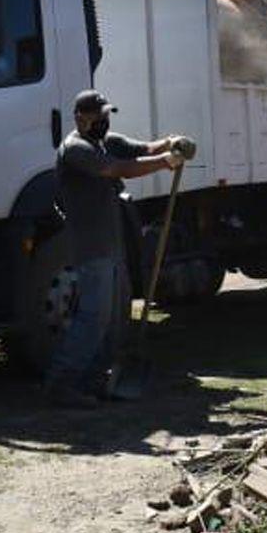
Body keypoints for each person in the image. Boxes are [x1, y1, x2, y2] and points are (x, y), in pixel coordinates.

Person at [44, 90, 188, 408]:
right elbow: (116, 169)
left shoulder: (103, 141)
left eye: (107, 115)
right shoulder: (76, 150)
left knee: (113, 320)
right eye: (99, 116)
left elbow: (142, 149)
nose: (104, 122)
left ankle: (94, 380)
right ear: (81, 118)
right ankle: (62, 382)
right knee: (92, 318)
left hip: (112, 247)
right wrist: (165, 162)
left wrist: (169, 143)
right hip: (91, 248)